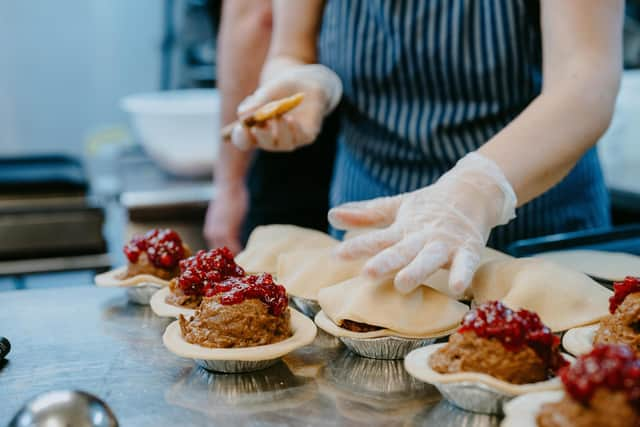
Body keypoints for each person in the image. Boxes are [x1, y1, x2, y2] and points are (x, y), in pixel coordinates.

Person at [229, 0, 623, 296]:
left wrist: (478, 188)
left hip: (534, 232)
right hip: (374, 239)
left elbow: (586, 84)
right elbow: (290, 50)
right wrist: (303, 81)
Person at [203, 0, 337, 254]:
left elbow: (257, 19)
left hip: (303, 162)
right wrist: (300, 78)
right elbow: (289, 52)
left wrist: (230, 184)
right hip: (351, 177)